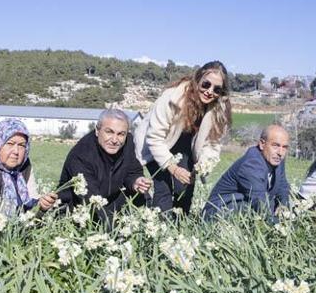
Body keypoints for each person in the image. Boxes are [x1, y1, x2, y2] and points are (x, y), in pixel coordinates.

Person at [134, 61, 232, 214]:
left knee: (185, 189)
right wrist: (172, 168)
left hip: (185, 145)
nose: (209, 91)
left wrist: (204, 164)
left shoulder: (219, 110)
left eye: (217, 89)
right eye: (206, 84)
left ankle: (180, 227)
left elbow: (212, 144)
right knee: (163, 190)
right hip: (157, 143)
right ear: (197, 80)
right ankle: (162, 227)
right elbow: (155, 138)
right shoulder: (172, 97)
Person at [58, 109, 151, 222]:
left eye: (121, 134)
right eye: (109, 132)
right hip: (80, 208)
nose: (115, 140)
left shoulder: (128, 143)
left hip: (110, 200)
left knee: (142, 196)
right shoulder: (82, 154)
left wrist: (136, 181)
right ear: (97, 131)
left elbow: (133, 171)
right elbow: (90, 198)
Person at [203, 125, 290, 220]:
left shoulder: (277, 159)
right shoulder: (251, 164)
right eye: (275, 145)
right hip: (219, 212)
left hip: (244, 206)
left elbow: (283, 186)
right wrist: (278, 226)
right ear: (262, 144)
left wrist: (283, 205)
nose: (280, 152)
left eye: (284, 147)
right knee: (253, 208)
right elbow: (259, 201)